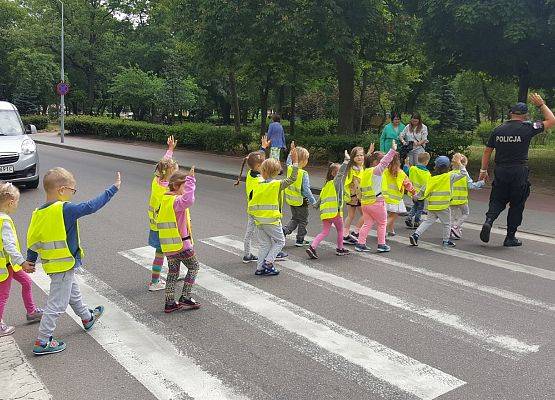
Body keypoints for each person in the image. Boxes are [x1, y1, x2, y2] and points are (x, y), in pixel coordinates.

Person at [27, 168, 121, 355]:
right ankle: (43, 341)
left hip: (54, 264)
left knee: (73, 293)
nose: (72, 194)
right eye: (73, 190)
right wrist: (113, 189)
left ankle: (87, 318)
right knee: (57, 304)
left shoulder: (38, 212)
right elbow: (90, 206)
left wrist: (31, 260)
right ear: (62, 190)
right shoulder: (64, 208)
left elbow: (33, 239)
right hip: (63, 264)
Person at [479, 93, 555, 246]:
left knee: (497, 199)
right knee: (517, 203)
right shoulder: (528, 127)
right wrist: (541, 105)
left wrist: (483, 170)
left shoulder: (498, 130)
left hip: (501, 170)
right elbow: (552, 120)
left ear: (510, 113)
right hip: (519, 171)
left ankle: (489, 220)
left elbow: (487, 151)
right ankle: (510, 237)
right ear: (525, 115)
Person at [248, 142, 298, 276]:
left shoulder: (258, 184)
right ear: (276, 172)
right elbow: (292, 178)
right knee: (280, 241)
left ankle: (259, 268)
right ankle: (269, 263)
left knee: (264, 244)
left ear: (263, 171)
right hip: (271, 220)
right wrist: (295, 162)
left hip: (259, 221)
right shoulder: (277, 184)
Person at [0, 182, 42, 337]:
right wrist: (22, 262)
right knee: (2, 295)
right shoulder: (4, 221)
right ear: (11, 202)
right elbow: (9, 246)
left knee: (26, 282)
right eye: (16, 202)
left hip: (10, 263)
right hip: (6, 266)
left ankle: (31, 311)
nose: (16, 205)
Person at [156, 168, 200, 313]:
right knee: (194, 267)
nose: (186, 190)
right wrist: (191, 181)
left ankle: (169, 302)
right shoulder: (177, 201)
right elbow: (189, 199)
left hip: (169, 246)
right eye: (184, 187)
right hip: (182, 245)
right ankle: (185, 296)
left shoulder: (165, 199)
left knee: (173, 272)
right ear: (175, 186)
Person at [409, 156, 468, 248]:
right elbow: (463, 173)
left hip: (432, 206)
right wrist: (459, 163)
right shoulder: (449, 176)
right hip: (443, 206)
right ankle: (446, 241)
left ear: (435, 166)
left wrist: (416, 197)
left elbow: (423, 190)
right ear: (448, 167)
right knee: (447, 224)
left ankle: (415, 235)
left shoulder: (431, 178)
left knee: (427, 221)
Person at [147, 136, 179, 291]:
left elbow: (163, 164)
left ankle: (155, 280)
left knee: (160, 254)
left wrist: (170, 150)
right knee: (172, 253)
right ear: (169, 175)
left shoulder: (156, 181)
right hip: (165, 228)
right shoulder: (168, 191)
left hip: (155, 226)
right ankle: (155, 282)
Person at [234, 136, 272, 263]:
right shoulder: (259, 180)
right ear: (259, 166)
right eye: (264, 164)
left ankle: (247, 254)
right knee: (264, 233)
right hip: (258, 211)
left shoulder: (251, 173)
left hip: (251, 209)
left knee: (249, 233)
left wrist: (263, 148)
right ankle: (268, 253)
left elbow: (256, 157)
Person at [306, 152, 351, 259]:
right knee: (340, 230)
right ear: (334, 174)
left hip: (325, 214)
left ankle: (312, 247)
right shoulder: (336, 182)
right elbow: (340, 174)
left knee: (324, 232)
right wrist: (346, 161)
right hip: (335, 213)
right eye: (340, 172)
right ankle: (340, 248)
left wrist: (315, 205)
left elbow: (320, 199)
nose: (342, 174)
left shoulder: (326, 185)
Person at [355, 141, 398, 253]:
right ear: (375, 162)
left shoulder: (366, 171)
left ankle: (360, 243)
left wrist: (369, 152)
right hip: (377, 202)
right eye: (380, 161)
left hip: (365, 203)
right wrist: (392, 150)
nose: (385, 164)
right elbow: (384, 163)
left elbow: (370, 160)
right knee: (382, 223)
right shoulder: (376, 171)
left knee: (367, 224)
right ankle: (381, 244)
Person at [283, 146, 317, 246]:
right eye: (306, 159)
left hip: (291, 200)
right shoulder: (303, 173)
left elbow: (289, 161)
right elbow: (306, 190)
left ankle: (284, 231)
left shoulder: (290, 168)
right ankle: (300, 240)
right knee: (303, 220)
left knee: (295, 218)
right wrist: (313, 201)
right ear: (302, 160)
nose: (307, 161)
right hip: (301, 201)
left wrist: (291, 151)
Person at [449, 154, 485, 240]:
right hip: (462, 200)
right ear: (464, 165)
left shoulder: (449, 174)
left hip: (451, 200)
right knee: (465, 213)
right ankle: (456, 226)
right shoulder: (465, 174)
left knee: (452, 216)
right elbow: (471, 186)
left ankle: (450, 230)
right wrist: (481, 183)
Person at [383, 153, 416, 236]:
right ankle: (382, 230)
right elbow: (408, 185)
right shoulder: (401, 174)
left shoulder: (385, 171)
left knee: (391, 215)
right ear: (399, 162)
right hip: (396, 199)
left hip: (385, 197)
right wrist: (414, 193)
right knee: (392, 216)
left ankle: (391, 230)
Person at [342, 146, 366, 244]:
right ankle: (346, 234)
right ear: (353, 157)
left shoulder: (362, 166)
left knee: (365, 214)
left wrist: (369, 152)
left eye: (361, 155)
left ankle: (354, 232)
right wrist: (347, 159)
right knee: (351, 215)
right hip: (353, 196)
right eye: (357, 156)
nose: (360, 157)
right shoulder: (352, 168)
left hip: (360, 196)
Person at [404, 152, 431, 229]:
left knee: (415, 206)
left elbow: (406, 172)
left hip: (413, 193)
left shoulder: (413, 169)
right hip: (421, 195)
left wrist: (406, 164)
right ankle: (416, 221)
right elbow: (428, 186)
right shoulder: (427, 174)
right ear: (426, 162)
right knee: (420, 208)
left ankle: (409, 218)